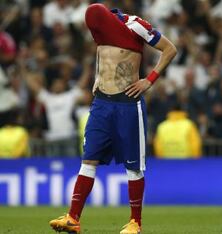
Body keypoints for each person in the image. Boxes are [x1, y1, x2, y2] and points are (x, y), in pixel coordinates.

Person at [49, 3, 177, 234]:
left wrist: (150, 79)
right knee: (88, 160)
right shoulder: (100, 30)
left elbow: (170, 49)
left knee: (133, 167)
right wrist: (98, 77)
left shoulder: (135, 25)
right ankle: (73, 218)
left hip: (128, 104)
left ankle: (135, 223)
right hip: (101, 103)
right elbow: (105, 56)